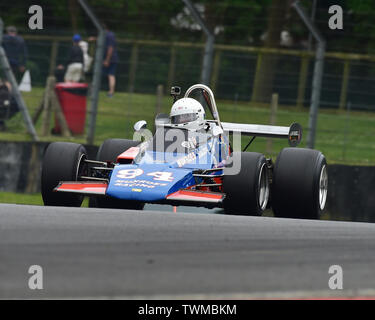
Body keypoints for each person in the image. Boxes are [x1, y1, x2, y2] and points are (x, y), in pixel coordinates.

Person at [102, 24, 119, 97]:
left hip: (111, 59)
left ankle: (111, 92)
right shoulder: (108, 35)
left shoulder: (109, 36)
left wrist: (107, 60)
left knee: (111, 75)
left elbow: (110, 48)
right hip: (109, 58)